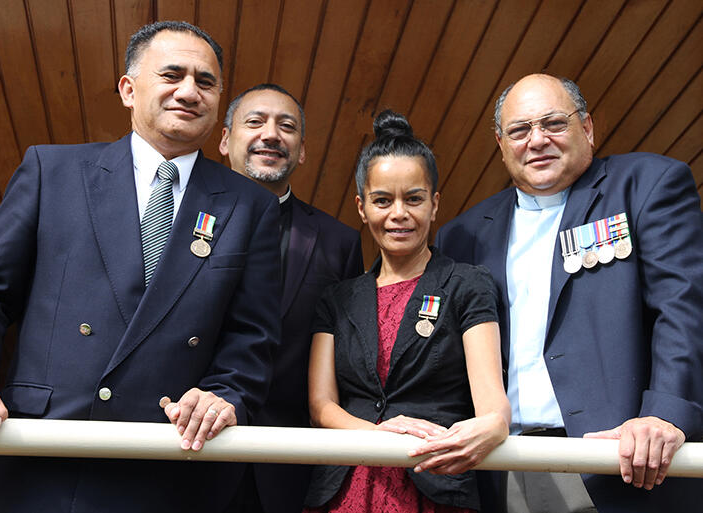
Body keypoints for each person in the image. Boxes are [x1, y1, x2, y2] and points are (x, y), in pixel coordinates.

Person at [0, 21, 281, 513]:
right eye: (172, 74)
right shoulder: (50, 172)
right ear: (128, 88)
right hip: (44, 456)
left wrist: (225, 394)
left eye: (206, 82)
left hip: (171, 465)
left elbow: (254, 336)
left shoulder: (251, 207)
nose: (189, 91)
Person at [436, 73, 703, 513]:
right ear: (501, 144)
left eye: (553, 124)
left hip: (621, 462)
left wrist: (665, 414)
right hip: (503, 466)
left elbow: (683, 309)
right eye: (520, 130)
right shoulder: (461, 235)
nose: (537, 140)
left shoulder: (645, 185)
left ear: (588, 128)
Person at [303, 110, 510, 513]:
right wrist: (380, 435)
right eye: (383, 200)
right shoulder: (337, 297)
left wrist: (494, 423)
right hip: (344, 486)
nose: (399, 213)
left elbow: (492, 404)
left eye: (413, 198)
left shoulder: (467, 283)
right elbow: (321, 406)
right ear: (362, 208)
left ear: (434, 205)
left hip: (435, 482)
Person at [218, 83, 364, 512]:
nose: (271, 134)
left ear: (301, 150)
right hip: (186, 456)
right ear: (225, 140)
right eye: (255, 121)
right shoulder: (174, 218)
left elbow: (349, 362)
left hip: (290, 466)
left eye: (287, 126)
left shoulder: (339, 242)